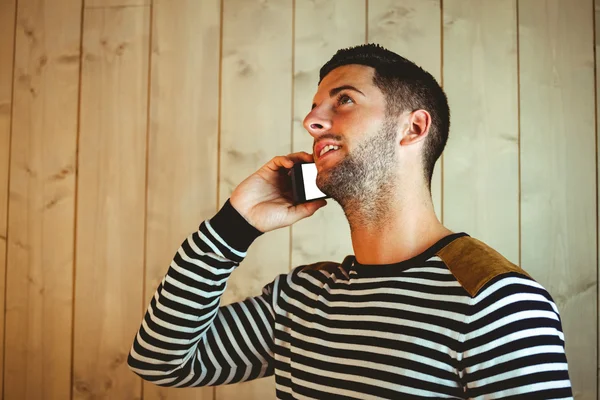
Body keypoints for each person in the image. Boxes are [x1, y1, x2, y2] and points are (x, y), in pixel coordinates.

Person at [128, 44, 572, 399]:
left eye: (344, 100)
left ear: (413, 128)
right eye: (315, 109)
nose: (312, 122)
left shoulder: (498, 301)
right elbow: (161, 361)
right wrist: (234, 226)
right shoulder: (301, 298)